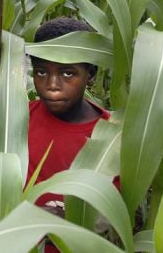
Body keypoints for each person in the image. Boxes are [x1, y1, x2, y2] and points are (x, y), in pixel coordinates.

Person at [26, 17, 110, 215]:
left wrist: (63, 218)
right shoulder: (19, 118)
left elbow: (109, 209)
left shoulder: (110, 137)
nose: (52, 85)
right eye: (41, 72)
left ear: (91, 74)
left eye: (67, 74)